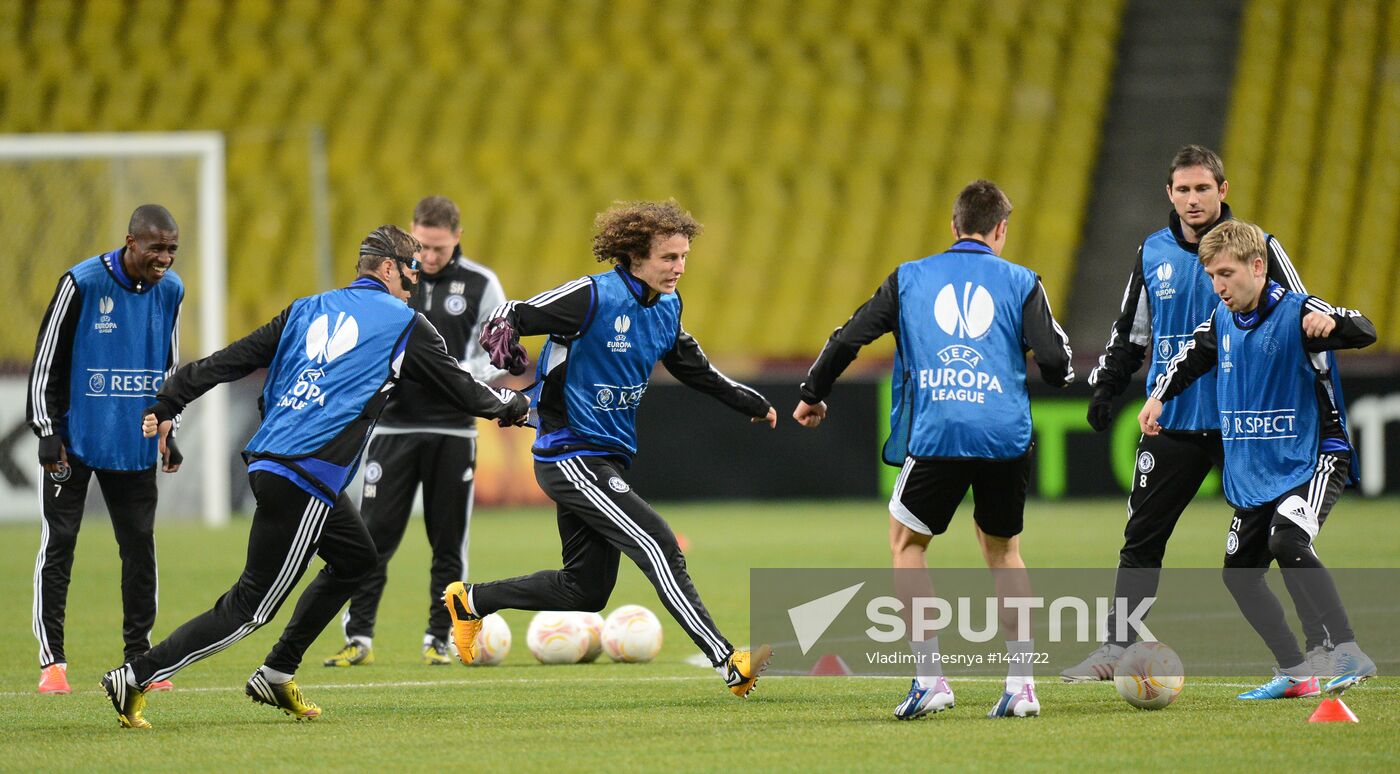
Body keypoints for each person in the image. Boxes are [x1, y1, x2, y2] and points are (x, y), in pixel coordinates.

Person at [98, 226, 529, 729]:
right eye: (411, 269)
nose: (415, 281)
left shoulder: (306, 308)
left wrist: (170, 399)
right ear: (387, 268)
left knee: (357, 559)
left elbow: (232, 359)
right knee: (250, 606)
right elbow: (461, 387)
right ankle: (137, 675)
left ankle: (277, 672)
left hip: (276, 460)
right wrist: (515, 405)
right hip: (306, 473)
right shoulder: (406, 323)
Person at [442, 199, 778, 698]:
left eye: (683, 257)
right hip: (568, 451)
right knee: (659, 544)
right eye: (668, 257)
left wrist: (749, 401)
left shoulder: (668, 307)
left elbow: (695, 369)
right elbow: (511, 313)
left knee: (586, 589)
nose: (679, 268)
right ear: (635, 256)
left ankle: (470, 601)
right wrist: (504, 334)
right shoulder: (593, 295)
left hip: (607, 455)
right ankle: (729, 662)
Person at [793, 180, 1074, 719]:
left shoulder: (909, 277)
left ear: (954, 226)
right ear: (1000, 230)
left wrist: (813, 393)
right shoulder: (1022, 281)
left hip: (939, 429)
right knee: (1004, 552)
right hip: (1004, 434)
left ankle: (930, 679)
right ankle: (1022, 687)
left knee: (908, 543)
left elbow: (849, 336)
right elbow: (1057, 361)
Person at [1062, 145, 1311, 682]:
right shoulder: (1152, 251)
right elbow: (1131, 332)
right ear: (1169, 194)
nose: (1193, 199)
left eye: (1203, 188)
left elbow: (1300, 318)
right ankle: (1116, 648)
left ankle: (1316, 651)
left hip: (1244, 425)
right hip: (1173, 420)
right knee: (1141, 539)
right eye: (1183, 189)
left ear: (1223, 190)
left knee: (1279, 543)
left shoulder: (1259, 247)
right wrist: (1107, 387)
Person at [1140, 219, 1377, 699]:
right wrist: (1158, 397)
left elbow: (1364, 329)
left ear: (1257, 266)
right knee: (1240, 576)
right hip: (1257, 467)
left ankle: (1347, 649)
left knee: (1287, 540)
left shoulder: (1300, 312)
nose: (1218, 286)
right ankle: (1296, 672)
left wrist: (1334, 324)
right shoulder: (1221, 320)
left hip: (1313, 457)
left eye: (1226, 273)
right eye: (1212, 276)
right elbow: (1188, 358)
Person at [323, 197, 508, 668]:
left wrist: (454, 377)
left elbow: (496, 351)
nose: (428, 257)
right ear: (411, 234)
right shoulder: (394, 279)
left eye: (439, 248)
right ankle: (358, 637)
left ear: (457, 238)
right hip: (392, 427)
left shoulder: (482, 284)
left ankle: (439, 638)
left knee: (448, 544)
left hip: (454, 431)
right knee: (371, 539)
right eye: (422, 247)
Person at [26, 204, 184, 696]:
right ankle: (53, 662)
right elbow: (46, 360)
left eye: (172, 249)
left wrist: (170, 425)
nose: (164, 258)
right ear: (131, 242)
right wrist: (47, 429)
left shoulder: (172, 291)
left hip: (134, 440)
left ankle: (140, 659)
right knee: (59, 544)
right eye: (156, 248)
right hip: (74, 441)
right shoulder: (82, 283)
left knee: (139, 548)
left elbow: (170, 366)